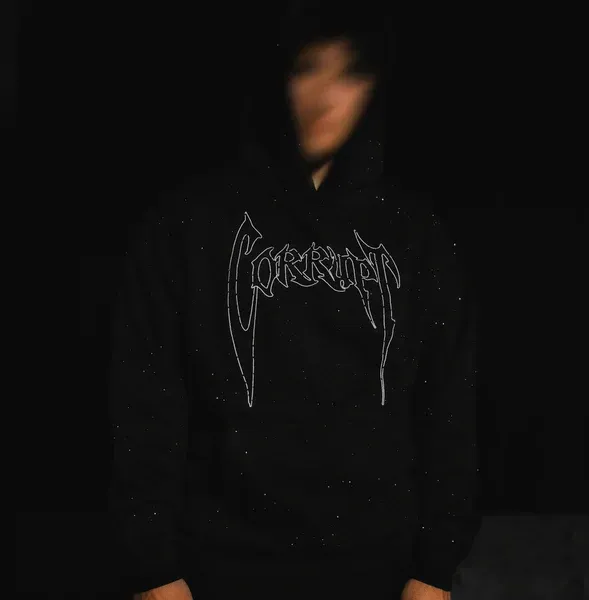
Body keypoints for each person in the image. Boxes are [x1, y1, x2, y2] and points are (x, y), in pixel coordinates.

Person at [107, 3, 480, 599]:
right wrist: (153, 569)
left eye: (351, 72)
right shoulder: (186, 225)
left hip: (378, 568)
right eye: (307, 67)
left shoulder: (415, 234)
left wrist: (433, 569)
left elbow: (449, 403)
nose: (327, 95)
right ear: (274, 70)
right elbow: (145, 401)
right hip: (216, 567)